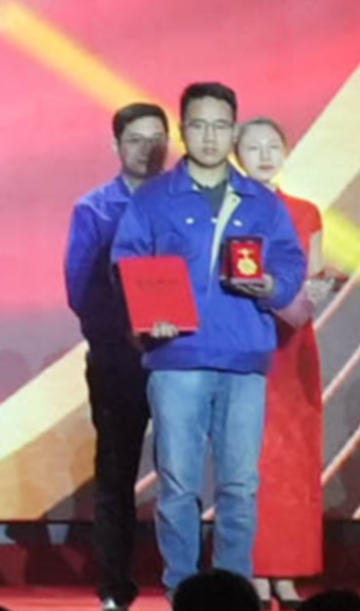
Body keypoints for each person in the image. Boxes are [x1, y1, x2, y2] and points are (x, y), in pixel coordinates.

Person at [117, 85, 301, 593]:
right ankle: (182, 589)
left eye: (220, 126)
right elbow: (127, 263)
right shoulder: (153, 198)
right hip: (177, 357)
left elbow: (289, 263)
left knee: (240, 485)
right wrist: (146, 319)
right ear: (182, 131)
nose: (210, 137)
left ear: (234, 131)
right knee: (178, 484)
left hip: (244, 358)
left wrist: (271, 285)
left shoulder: (262, 201)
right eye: (198, 125)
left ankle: (234, 588)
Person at [68, 103, 175, 611]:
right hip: (117, 359)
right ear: (116, 146)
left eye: (157, 139)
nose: (147, 149)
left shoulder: (185, 203)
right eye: (135, 139)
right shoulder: (95, 208)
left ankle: (186, 582)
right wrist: (128, 334)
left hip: (179, 356)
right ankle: (115, 586)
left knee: (181, 472)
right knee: (116, 472)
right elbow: (81, 290)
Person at [228, 120, 331, 603]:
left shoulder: (306, 212)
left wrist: (319, 290)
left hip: (294, 348)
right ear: (237, 155)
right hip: (246, 338)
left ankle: (288, 571)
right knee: (251, 459)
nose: (265, 155)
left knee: (295, 459)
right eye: (254, 147)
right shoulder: (231, 210)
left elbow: (313, 278)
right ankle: (254, 569)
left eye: (273, 146)